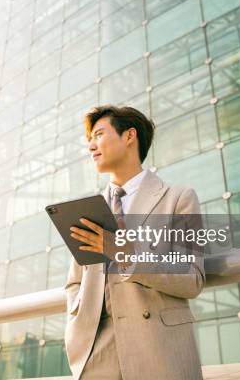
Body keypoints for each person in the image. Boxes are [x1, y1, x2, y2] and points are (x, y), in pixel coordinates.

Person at [64, 105, 205, 380]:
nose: (91, 146)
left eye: (99, 134)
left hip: (158, 351)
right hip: (97, 358)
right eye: (89, 140)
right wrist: (79, 324)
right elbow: (74, 283)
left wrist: (122, 253)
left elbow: (192, 277)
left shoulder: (178, 198)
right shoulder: (88, 211)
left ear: (129, 136)